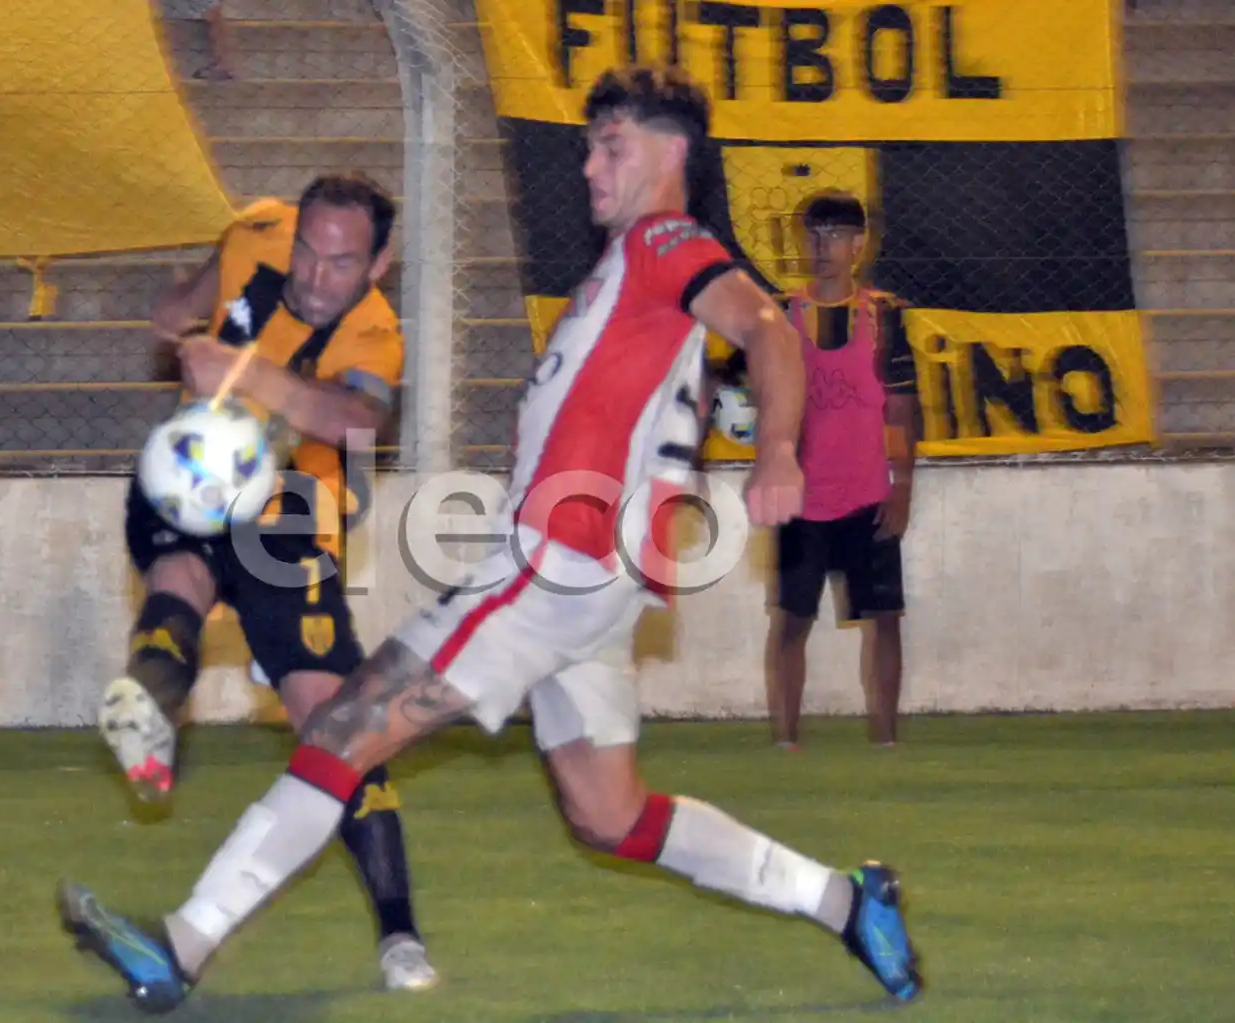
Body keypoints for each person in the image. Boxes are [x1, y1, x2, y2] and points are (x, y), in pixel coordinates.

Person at [57, 68, 922, 1014]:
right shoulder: (633, 271)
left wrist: (781, 451)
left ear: (673, 153)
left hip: (557, 563)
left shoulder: (663, 242)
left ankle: (181, 945)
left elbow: (769, 329)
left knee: (343, 728)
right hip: (602, 581)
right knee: (609, 813)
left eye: (612, 146)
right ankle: (848, 902)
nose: (589, 166)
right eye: (589, 147)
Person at [100, 172, 436, 991]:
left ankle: (399, 934)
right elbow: (181, 304)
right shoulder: (254, 234)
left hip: (289, 518)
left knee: (335, 727)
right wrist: (180, 318)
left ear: (379, 263)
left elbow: (354, 420)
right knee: (179, 573)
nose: (315, 277)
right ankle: (150, 712)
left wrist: (242, 369)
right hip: (194, 475)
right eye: (307, 252)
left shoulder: (374, 333)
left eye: (342, 263)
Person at [762, 192, 919, 749]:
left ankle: (885, 740)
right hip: (801, 499)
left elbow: (900, 409)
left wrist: (902, 488)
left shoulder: (884, 317)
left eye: (835, 234)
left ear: (858, 244)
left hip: (868, 496)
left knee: (884, 618)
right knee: (791, 621)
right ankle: (786, 741)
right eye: (814, 234)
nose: (822, 246)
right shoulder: (780, 315)